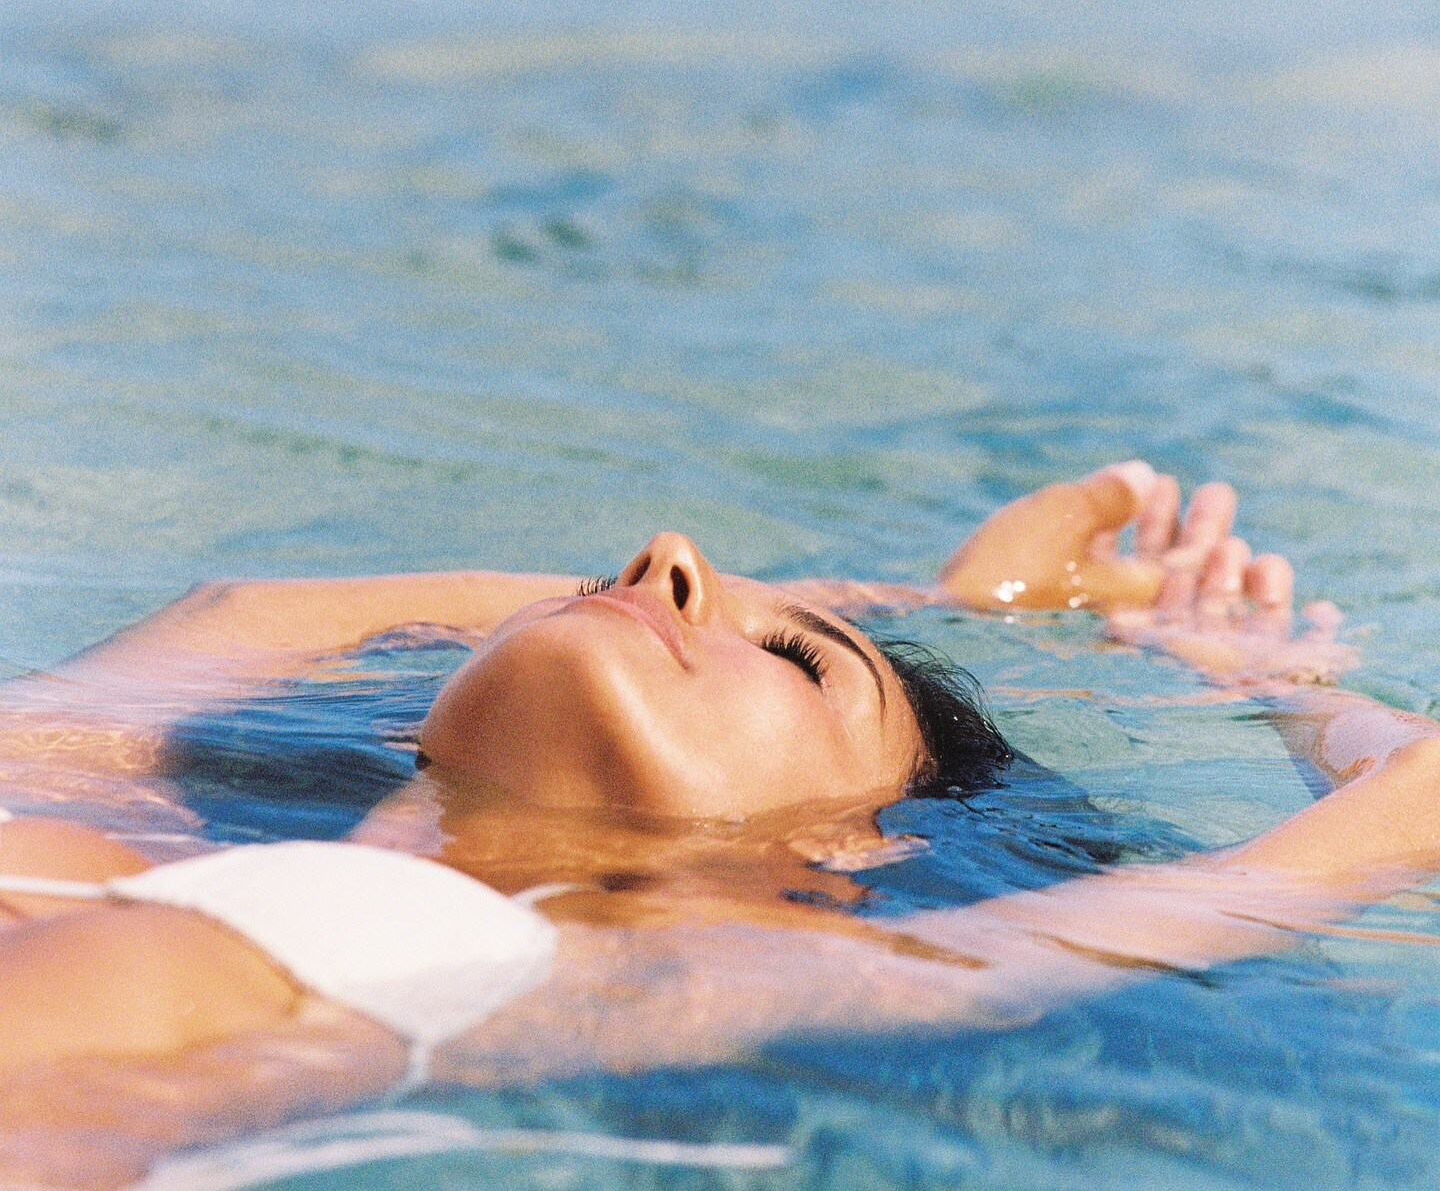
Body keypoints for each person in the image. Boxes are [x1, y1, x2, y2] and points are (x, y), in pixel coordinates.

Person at [0, 462, 1435, 1189]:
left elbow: (1396, 817)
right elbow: (242, 613)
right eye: (611, 577)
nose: (665, 555)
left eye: (797, 662)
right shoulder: (118, 806)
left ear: (850, 854)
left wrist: (1262, 676)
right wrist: (936, 603)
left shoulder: (667, 972)